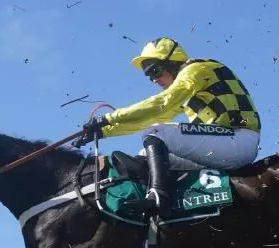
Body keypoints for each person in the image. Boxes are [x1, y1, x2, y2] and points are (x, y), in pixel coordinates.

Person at [77, 37, 262, 218]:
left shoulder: (197, 69)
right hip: (220, 149)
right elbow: (151, 118)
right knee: (145, 156)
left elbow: (163, 103)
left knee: (156, 132)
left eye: (156, 71)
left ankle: (158, 196)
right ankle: (163, 216)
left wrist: (109, 117)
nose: (154, 80)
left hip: (238, 140)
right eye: (149, 76)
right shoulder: (188, 91)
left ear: (173, 62)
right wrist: (104, 131)